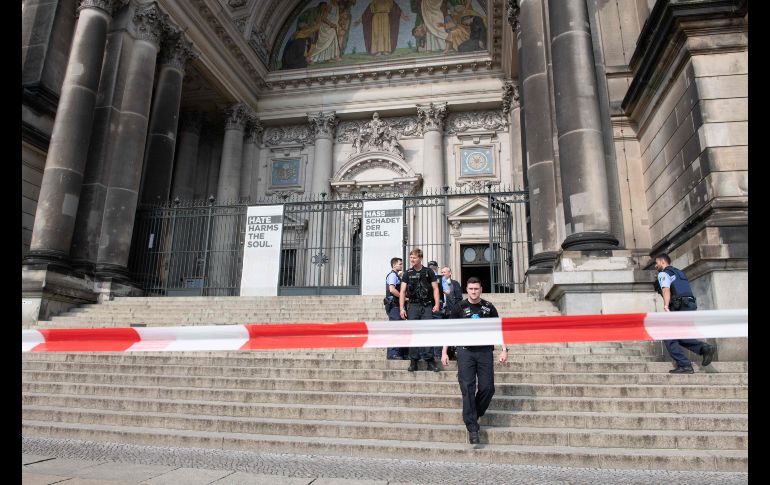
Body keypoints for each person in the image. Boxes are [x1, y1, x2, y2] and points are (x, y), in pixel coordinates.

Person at [441, 277, 507, 445]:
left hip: (484, 351)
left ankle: (472, 413)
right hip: (465, 352)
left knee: (488, 388)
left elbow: (498, 329)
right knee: (468, 388)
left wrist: (504, 350)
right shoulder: (459, 308)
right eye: (470, 289)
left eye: (476, 289)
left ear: (481, 289)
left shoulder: (489, 307)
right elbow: (449, 331)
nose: (473, 292)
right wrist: (444, 352)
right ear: (467, 290)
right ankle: (472, 428)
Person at [654, 253, 715, 374]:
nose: (655, 266)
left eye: (656, 263)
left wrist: (666, 306)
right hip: (690, 304)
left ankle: (685, 365)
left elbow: (666, 289)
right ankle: (704, 348)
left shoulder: (663, 273)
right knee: (680, 336)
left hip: (678, 306)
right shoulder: (679, 272)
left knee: (668, 336)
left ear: (662, 262)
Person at [400, 248, 441, 372]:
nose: (412, 260)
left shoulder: (429, 272)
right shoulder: (407, 273)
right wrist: (402, 308)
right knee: (412, 332)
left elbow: (435, 289)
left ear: (420, 258)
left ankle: (429, 360)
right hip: (413, 306)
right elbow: (402, 291)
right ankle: (413, 360)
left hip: (427, 305)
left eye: (415, 257)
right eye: (411, 257)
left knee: (427, 331)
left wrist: (437, 304)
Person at [384, 257, 405, 360]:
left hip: (395, 306)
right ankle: (393, 353)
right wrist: (403, 297)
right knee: (395, 328)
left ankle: (394, 352)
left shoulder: (396, 275)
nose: (401, 265)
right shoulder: (392, 275)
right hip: (394, 306)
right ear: (394, 265)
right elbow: (392, 289)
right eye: (400, 264)